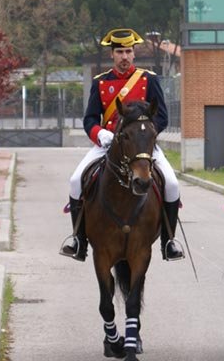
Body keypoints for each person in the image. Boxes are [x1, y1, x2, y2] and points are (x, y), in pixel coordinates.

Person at [60, 28, 185, 262]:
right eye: (119, 52)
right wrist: (100, 134)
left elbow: (162, 117)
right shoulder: (100, 83)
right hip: (107, 144)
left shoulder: (149, 79)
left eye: (128, 51)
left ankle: (169, 242)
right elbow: (89, 119)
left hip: (142, 147)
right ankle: (79, 240)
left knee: (172, 184)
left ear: (134, 53)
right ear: (112, 55)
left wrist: (146, 136)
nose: (124, 57)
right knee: (76, 180)